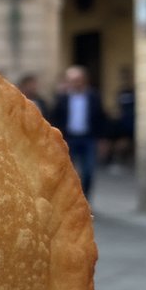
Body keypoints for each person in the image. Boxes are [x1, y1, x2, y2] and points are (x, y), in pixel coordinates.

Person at [49, 66, 108, 198]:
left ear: (84, 80)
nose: (75, 83)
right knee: (69, 173)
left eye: (78, 79)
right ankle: (73, 200)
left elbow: (101, 118)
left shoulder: (93, 96)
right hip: (69, 139)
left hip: (89, 138)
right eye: (72, 80)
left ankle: (85, 198)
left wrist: (103, 140)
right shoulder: (62, 98)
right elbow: (55, 119)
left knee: (88, 171)